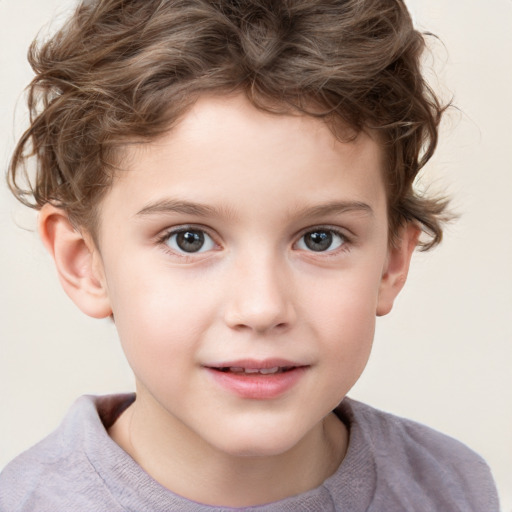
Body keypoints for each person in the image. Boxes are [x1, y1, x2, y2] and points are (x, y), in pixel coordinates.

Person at [0, 0, 500, 510]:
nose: (262, 308)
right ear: (84, 261)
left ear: (392, 262)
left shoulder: (452, 488)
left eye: (320, 238)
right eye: (188, 238)